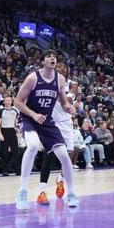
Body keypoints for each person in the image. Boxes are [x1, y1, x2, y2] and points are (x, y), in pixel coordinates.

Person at [13, 50, 79, 209]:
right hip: (30, 119)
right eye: (49, 56)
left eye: (54, 57)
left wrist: (68, 107)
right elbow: (18, 102)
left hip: (47, 121)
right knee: (33, 146)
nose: (52, 58)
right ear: (43, 61)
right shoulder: (32, 78)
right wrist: (34, 115)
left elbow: (63, 101)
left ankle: (71, 194)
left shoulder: (60, 79)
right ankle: (22, 191)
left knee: (65, 156)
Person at [37, 63, 76, 205]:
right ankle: (42, 191)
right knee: (49, 156)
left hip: (66, 123)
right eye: (59, 67)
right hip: (52, 123)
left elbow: (68, 103)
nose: (62, 69)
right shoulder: (48, 83)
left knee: (68, 157)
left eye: (64, 68)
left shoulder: (71, 85)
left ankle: (61, 180)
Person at [0, 95, 19, 176]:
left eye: (10, 100)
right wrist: (0, 134)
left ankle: (18, 170)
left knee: (16, 152)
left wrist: (17, 131)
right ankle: (4, 170)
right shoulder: (1, 111)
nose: (8, 102)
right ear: (4, 102)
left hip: (12, 131)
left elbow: (16, 123)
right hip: (4, 130)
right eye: (7, 100)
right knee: (4, 153)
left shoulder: (15, 111)